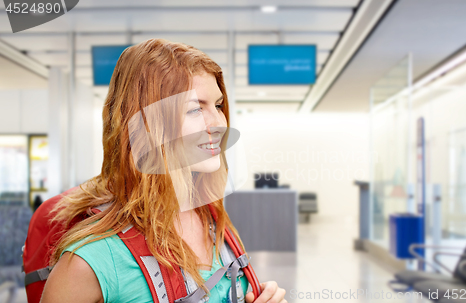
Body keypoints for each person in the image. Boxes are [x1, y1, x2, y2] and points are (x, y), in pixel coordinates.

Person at [40, 38, 286, 303]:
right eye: (195, 109)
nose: (217, 123)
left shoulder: (214, 222)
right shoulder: (91, 260)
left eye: (217, 105)